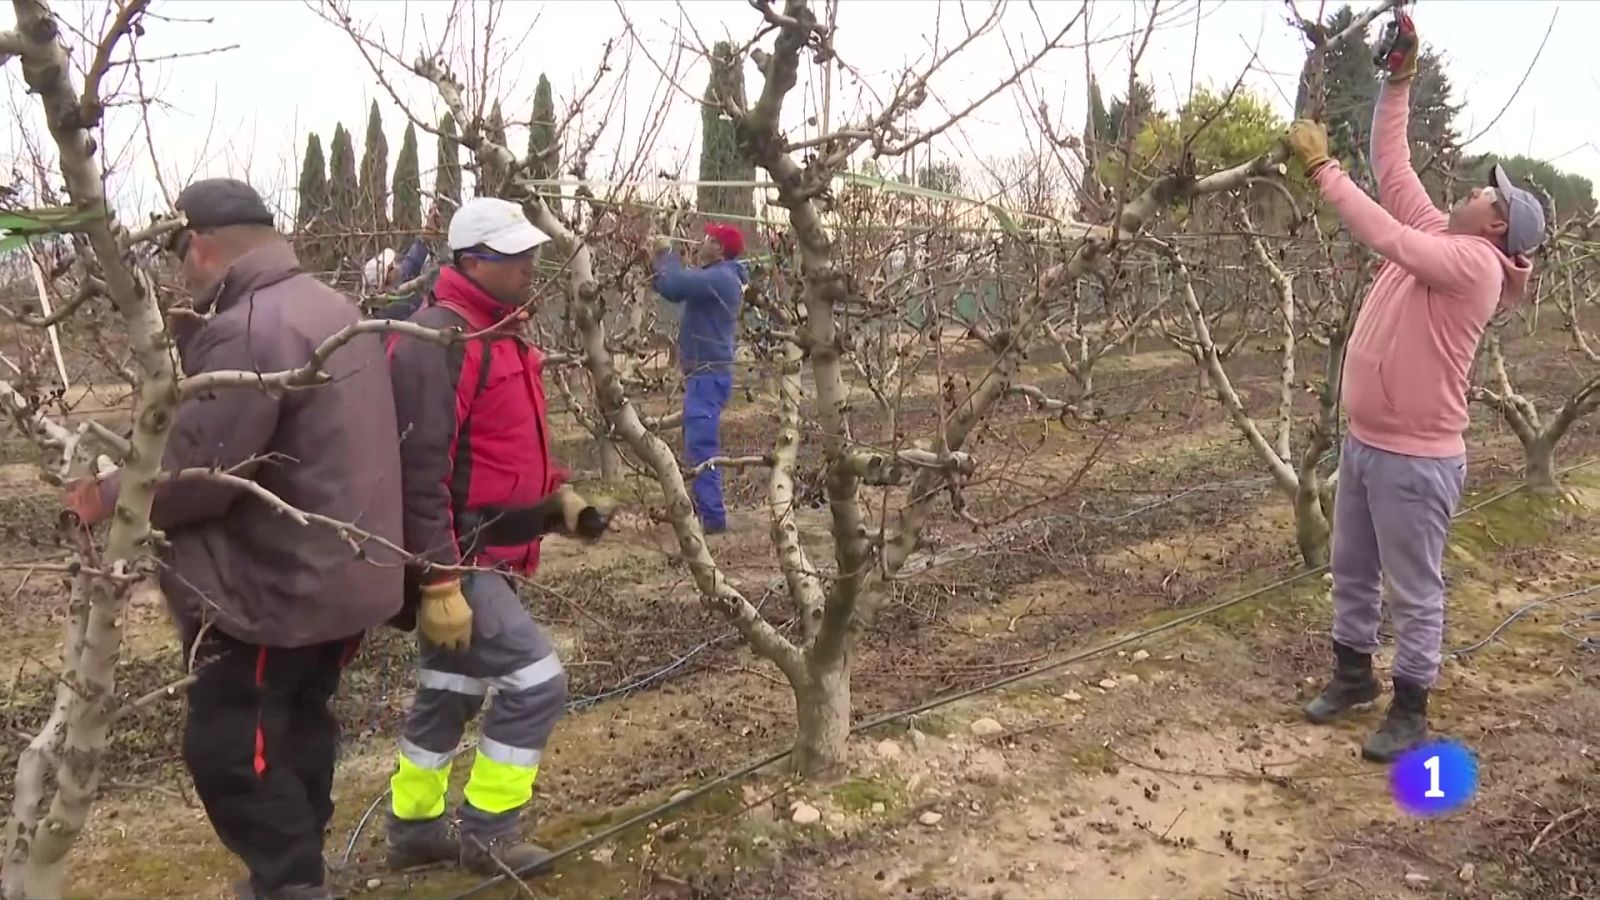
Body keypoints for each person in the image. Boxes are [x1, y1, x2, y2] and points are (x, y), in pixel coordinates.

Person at [64, 178, 405, 900]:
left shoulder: (250, 326)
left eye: (178, 257)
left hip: (271, 589)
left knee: (230, 747)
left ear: (202, 247)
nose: (176, 275)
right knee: (297, 723)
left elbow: (195, 470)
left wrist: (101, 497)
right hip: (341, 575)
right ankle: (298, 871)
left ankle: (289, 885)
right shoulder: (328, 306)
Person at [1286, 27, 1545, 762]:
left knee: (1414, 589)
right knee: (1353, 568)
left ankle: (1411, 707)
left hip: (1415, 460)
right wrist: (1399, 81)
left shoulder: (1474, 267)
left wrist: (1321, 171)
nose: (1468, 188)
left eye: (1482, 191)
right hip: (1368, 445)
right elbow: (1393, 169)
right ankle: (1351, 675)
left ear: (1496, 223)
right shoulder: (1447, 235)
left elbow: (1386, 233)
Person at [383, 197, 609, 875]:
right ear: (473, 261)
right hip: (460, 555)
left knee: (449, 690)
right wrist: (440, 579)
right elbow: (419, 472)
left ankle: (415, 827)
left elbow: (506, 445)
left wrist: (556, 499)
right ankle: (488, 832)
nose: (531, 264)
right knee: (537, 681)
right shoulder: (438, 342)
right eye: (516, 255)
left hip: (487, 551)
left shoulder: (503, 333)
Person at [647, 222, 748, 534]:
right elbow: (668, 284)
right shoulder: (720, 277)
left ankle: (714, 520)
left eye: (708, 238)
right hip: (705, 375)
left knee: (702, 447)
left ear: (718, 248)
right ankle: (709, 514)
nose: (701, 242)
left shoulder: (720, 278)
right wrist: (655, 263)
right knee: (698, 444)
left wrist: (665, 253)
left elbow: (675, 287)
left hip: (707, 376)